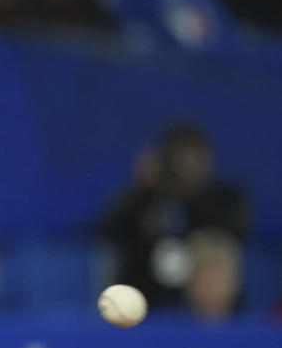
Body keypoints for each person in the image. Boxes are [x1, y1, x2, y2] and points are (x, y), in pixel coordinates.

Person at [99, 120, 250, 310]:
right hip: (147, 303)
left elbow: (237, 232)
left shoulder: (222, 199)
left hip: (205, 310)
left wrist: (191, 195)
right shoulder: (145, 200)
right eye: (179, 158)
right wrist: (141, 190)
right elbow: (107, 231)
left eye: (194, 158)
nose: (187, 167)